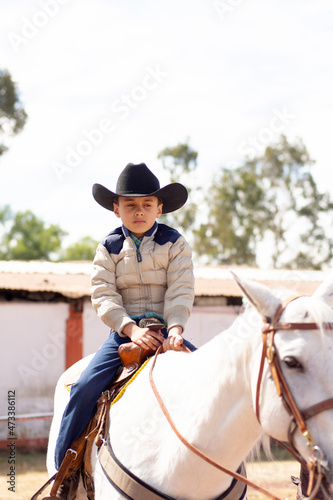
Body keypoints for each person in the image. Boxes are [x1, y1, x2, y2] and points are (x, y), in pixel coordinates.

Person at [45, 162, 196, 499]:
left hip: (167, 331)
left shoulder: (176, 243)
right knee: (83, 387)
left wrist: (175, 328)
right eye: (130, 205)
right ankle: (63, 472)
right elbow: (103, 295)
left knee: (211, 382)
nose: (138, 211)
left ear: (159, 207)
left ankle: (226, 466)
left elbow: (181, 290)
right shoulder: (108, 247)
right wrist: (128, 328)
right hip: (123, 334)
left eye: (146, 204)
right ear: (117, 209)